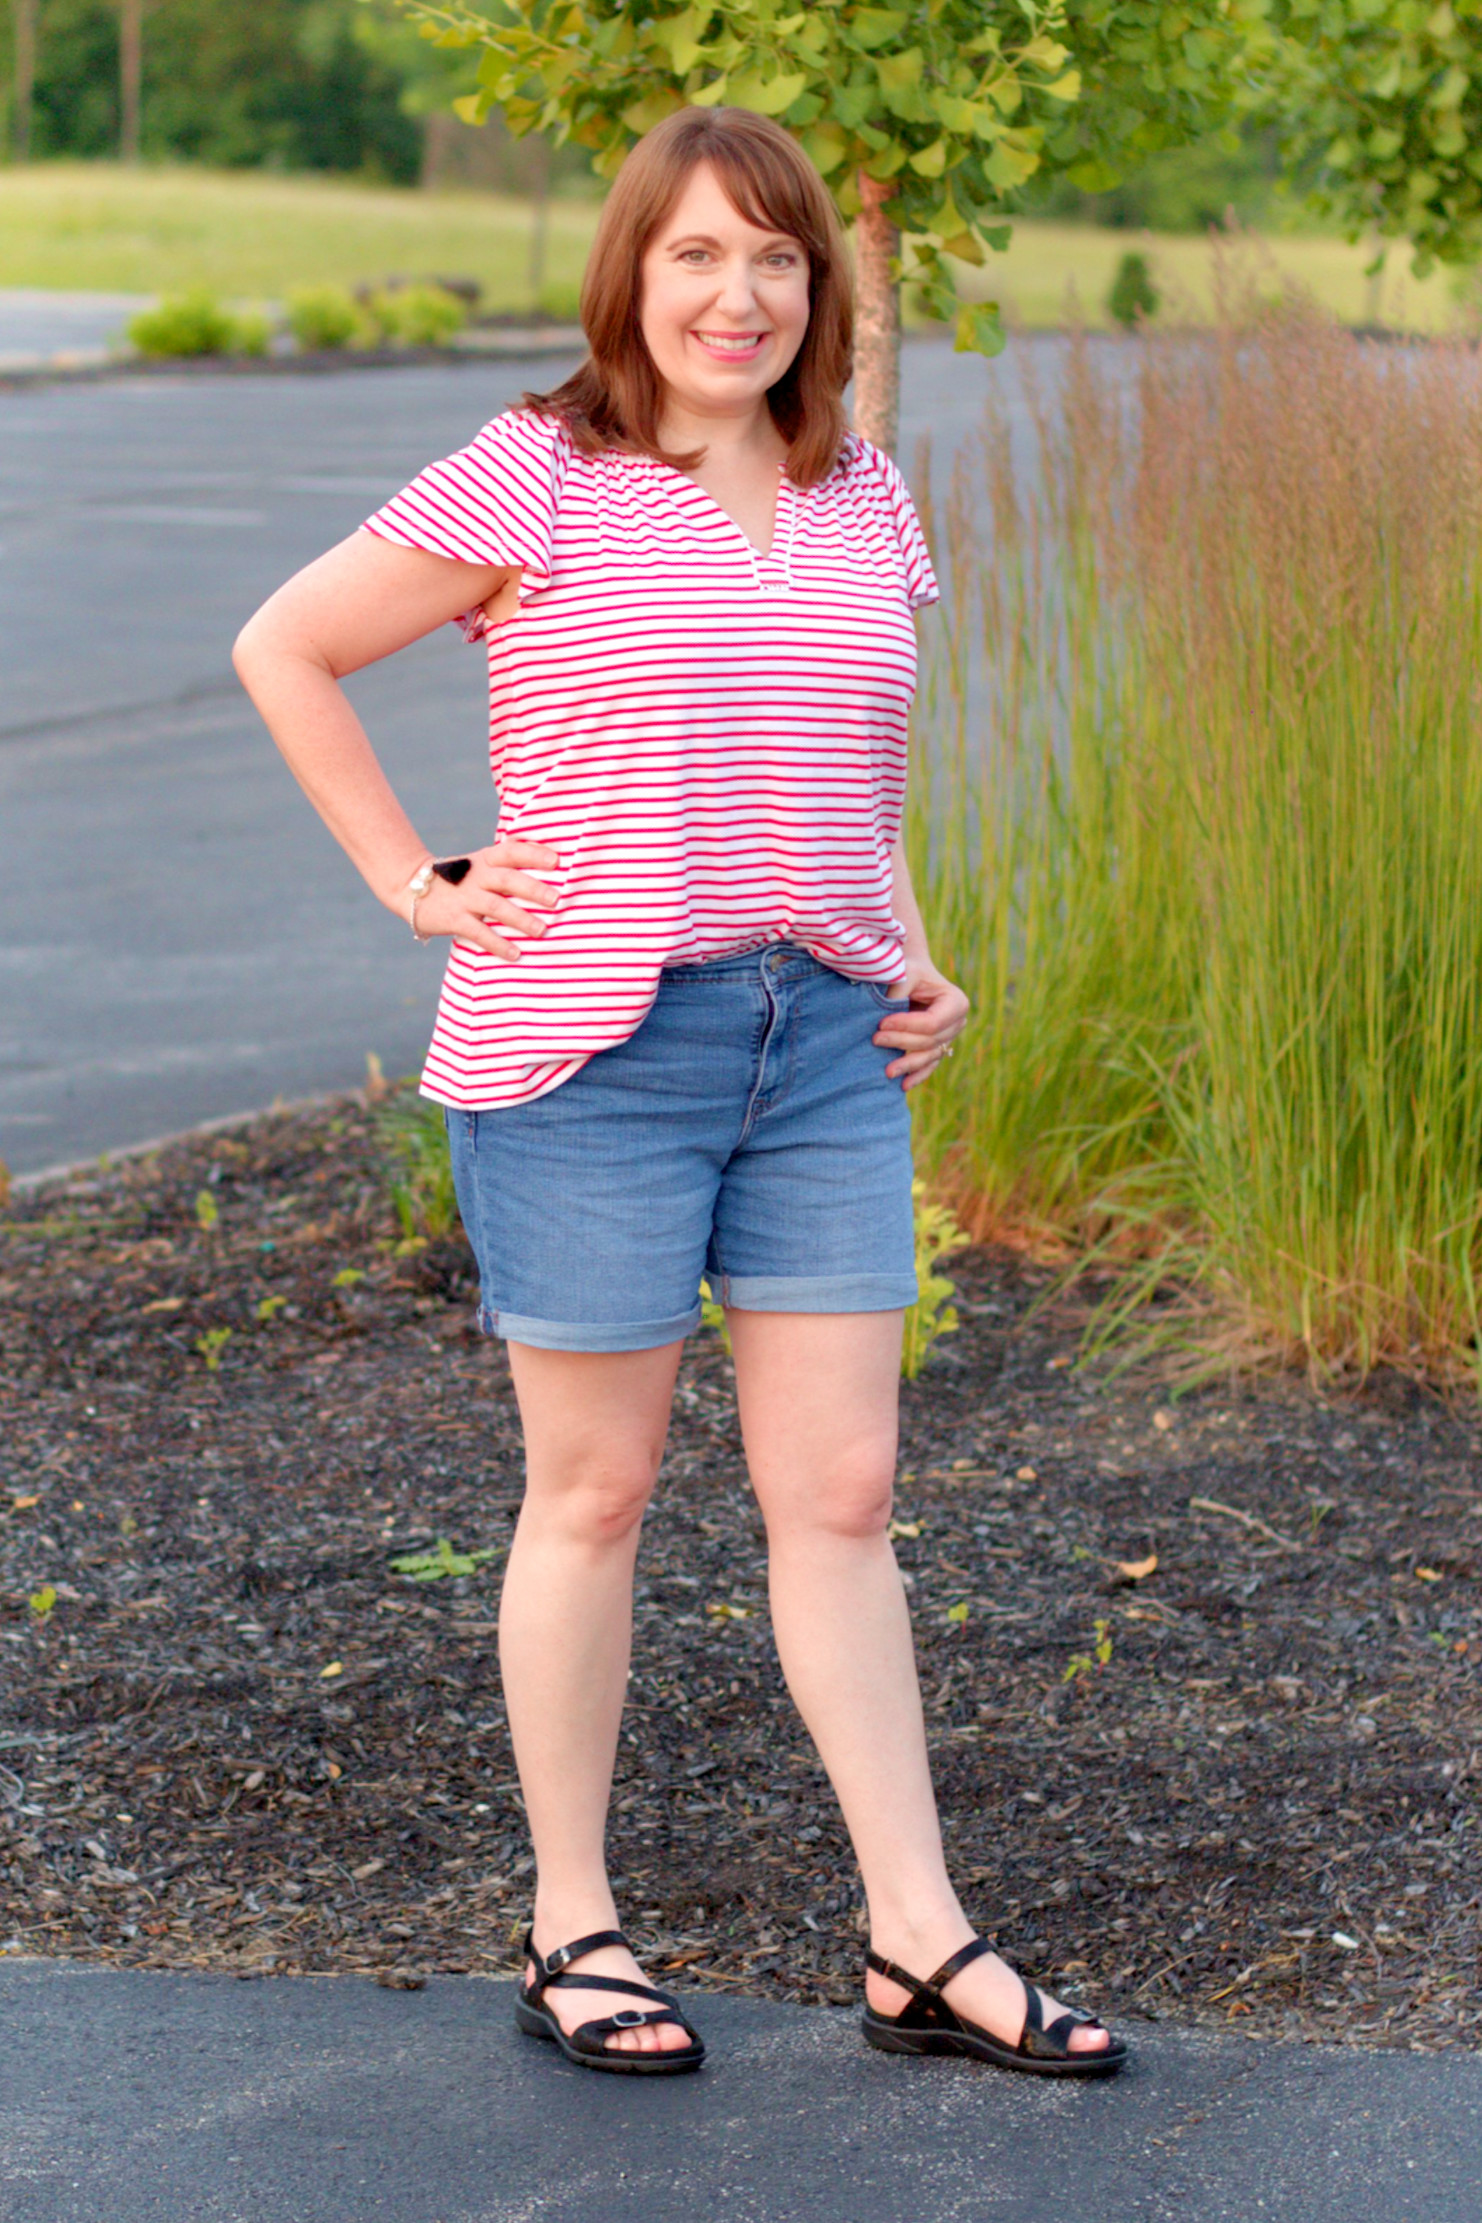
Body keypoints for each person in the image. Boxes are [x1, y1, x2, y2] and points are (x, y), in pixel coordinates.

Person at [233, 103, 1124, 2082]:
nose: (740, 295)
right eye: (700, 254)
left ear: (822, 285)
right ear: (633, 267)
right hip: (588, 1053)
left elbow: (841, 763)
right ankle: (574, 1922)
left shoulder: (861, 490)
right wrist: (420, 879)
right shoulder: (537, 474)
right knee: (598, 1489)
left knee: (846, 1493)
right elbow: (285, 645)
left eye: (780, 258)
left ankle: (917, 1931)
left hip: (822, 1047)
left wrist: (908, 935)